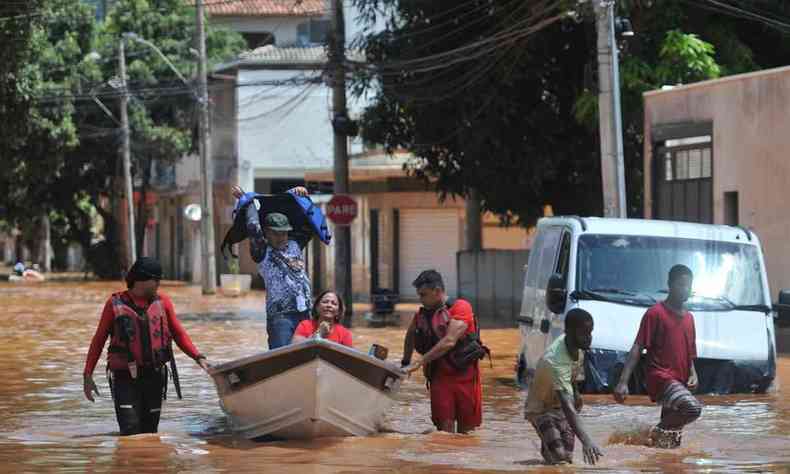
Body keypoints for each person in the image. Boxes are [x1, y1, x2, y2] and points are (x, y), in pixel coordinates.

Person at [83, 257, 210, 436]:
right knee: (130, 431)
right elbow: (98, 340)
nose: (159, 284)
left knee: (150, 433)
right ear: (143, 279)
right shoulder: (114, 304)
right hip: (124, 378)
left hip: (154, 376)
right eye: (156, 280)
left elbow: (179, 334)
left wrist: (199, 357)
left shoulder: (163, 302)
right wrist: (87, 375)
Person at [613, 264, 702, 449]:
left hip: (680, 380)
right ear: (669, 285)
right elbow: (637, 347)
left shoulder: (690, 318)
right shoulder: (655, 314)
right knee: (692, 408)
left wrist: (693, 374)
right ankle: (650, 433)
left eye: (688, 286)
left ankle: (649, 450)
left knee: (669, 445)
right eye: (681, 285)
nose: (685, 290)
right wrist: (623, 382)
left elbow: (689, 352)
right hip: (661, 378)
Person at [232, 185, 313, 350]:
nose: (280, 237)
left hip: (306, 312)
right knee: (283, 356)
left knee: (307, 355)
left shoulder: (295, 245)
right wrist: (247, 202)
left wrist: (302, 196)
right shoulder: (262, 252)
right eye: (275, 233)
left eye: (283, 233)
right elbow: (253, 228)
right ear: (267, 233)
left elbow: (309, 223)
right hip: (280, 316)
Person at [402, 270, 482, 433]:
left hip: (465, 378)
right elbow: (410, 335)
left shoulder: (461, 307)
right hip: (439, 379)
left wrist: (419, 362)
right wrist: (405, 362)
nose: (420, 299)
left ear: (437, 291)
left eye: (423, 295)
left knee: (467, 433)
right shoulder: (421, 315)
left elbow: (450, 340)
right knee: (444, 434)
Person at [524, 309, 603, 465]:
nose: (589, 338)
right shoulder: (555, 360)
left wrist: (577, 394)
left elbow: (571, 374)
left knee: (567, 458)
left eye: (590, 332)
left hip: (560, 406)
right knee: (560, 456)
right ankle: (549, 445)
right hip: (541, 409)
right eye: (584, 333)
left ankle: (548, 448)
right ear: (568, 332)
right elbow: (567, 404)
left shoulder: (577, 347)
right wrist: (586, 441)